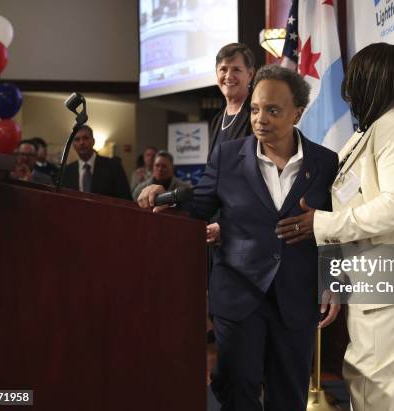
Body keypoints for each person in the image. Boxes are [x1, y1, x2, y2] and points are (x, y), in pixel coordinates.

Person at [138, 65, 340, 410]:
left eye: (273, 110)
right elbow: (197, 207)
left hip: (297, 297)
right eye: (255, 109)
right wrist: (159, 192)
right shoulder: (228, 157)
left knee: (288, 393)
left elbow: (335, 229)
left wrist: (334, 281)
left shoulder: (325, 162)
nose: (260, 119)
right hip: (239, 294)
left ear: (298, 113)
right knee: (236, 386)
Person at [276, 43, 394, 411]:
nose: (350, 92)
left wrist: (321, 223)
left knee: (372, 381)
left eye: (356, 81)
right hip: (382, 273)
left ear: (376, 81)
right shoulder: (370, 131)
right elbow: (355, 195)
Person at [206, 42, 257, 244]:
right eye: (223, 69)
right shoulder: (217, 120)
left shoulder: (255, 115)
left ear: (250, 75)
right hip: (216, 226)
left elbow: (258, 181)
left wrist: (227, 225)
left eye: (236, 69)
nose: (229, 76)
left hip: (245, 230)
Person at [61, 125, 131, 200]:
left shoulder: (113, 166)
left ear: (93, 141)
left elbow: (125, 198)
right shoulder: (67, 171)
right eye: (77, 139)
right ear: (73, 145)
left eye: (85, 138)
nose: (81, 142)